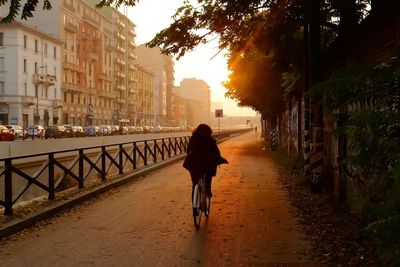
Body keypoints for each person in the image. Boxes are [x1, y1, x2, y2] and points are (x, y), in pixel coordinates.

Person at [183, 124, 228, 199]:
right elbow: (216, 152)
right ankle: (208, 190)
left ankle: (194, 208)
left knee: (195, 183)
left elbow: (188, 151)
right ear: (209, 131)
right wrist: (220, 160)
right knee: (208, 175)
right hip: (206, 164)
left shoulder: (193, 138)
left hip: (193, 163)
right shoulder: (209, 138)